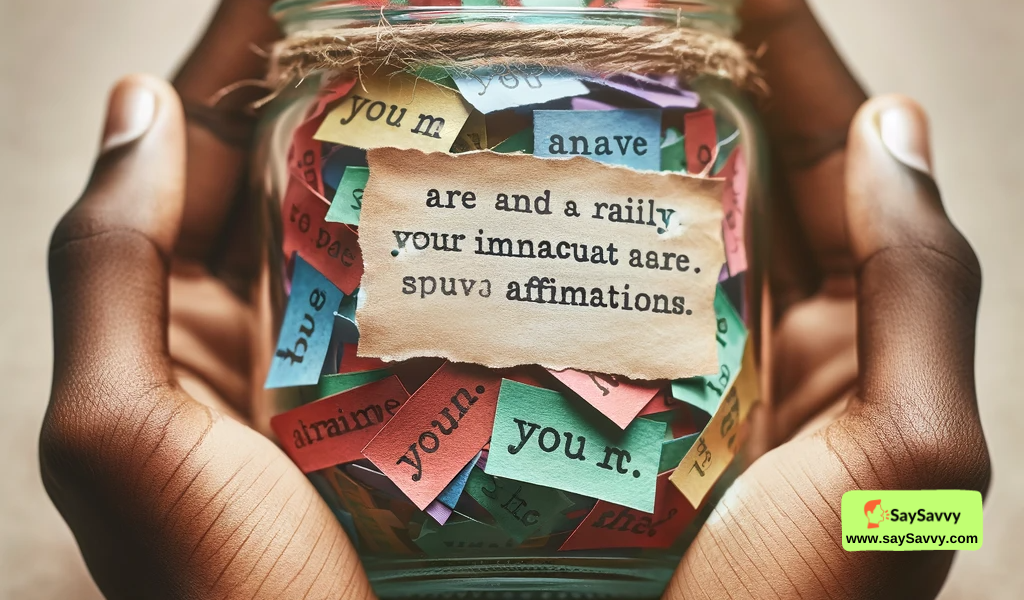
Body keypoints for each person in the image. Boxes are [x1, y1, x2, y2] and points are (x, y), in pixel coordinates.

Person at [39, 0, 990, 597]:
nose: (936, 507)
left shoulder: (712, 114)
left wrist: (927, 509)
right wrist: (922, 512)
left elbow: (957, 512)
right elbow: (948, 505)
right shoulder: (316, 116)